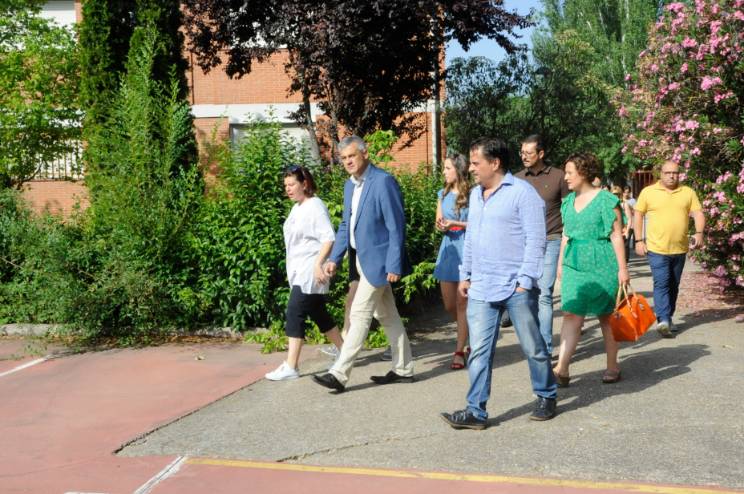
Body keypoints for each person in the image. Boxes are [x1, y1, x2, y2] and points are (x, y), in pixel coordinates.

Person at [440, 137, 557, 430]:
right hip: (481, 285)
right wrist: (466, 274)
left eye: (476, 163)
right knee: (479, 351)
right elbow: (472, 238)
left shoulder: (522, 193)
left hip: (516, 286)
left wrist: (525, 281)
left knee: (533, 346)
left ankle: (546, 395)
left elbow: (536, 239)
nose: (471, 169)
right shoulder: (476, 195)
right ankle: (476, 411)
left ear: (494, 163)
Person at [313, 135, 414, 392]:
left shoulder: (383, 181)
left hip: (379, 262)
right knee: (387, 315)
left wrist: (394, 264)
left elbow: (396, 226)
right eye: (344, 158)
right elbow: (346, 225)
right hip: (359, 259)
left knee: (358, 313)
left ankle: (339, 373)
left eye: (352, 156)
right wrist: (334, 258)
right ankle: (403, 369)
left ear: (365, 154)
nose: (348, 161)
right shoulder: (350, 185)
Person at [552, 153, 629, 387]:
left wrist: (623, 269)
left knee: (606, 317)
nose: (566, 177)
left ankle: (612, 366)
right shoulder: (567, 202)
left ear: (583, 172)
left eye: (569, 172)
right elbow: (566, 235)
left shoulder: (606, 200)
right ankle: (562, 368)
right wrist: (560, 264)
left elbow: (616, 236)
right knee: (571, 314)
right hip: (574, 264)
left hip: (602, 263)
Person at [265, 165, 344, 381]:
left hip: (311, 272)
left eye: (292, 184)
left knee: (295, 312)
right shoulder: (297, 208)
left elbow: (328, 238)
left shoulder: (315, 206)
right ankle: (344, 352)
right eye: (286, 185)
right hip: (299, 271)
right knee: (319, 313)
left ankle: (291, 366)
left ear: (305, 184)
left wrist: (318, 264)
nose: (288, 189)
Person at [633, 160, 705, 337]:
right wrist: (639, 240)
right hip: (657, 249)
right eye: (668, 173)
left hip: (680, 248)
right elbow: (638, 215)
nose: (672, 176)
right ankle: (663, 319)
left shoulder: (688, 192)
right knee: (662, 282)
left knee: (674, 285)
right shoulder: (648, 192)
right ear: (661, 174)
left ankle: (668, 317)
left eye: (675, 173)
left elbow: (698, 213)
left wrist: (699, 233)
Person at [515, 134, 569, 357]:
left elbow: (568, 210)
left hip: (551, 239)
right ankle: (533, 341)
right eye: (522, 152)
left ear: (541, 153)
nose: (524, 156)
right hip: (525, 243)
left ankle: (544, 348)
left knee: (545, 293)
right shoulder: (517, 179)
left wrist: (568, 241)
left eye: (529, 153)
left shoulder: (558, 176)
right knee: (527, 292)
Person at [434, 152, 470, 370]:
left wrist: (456, 223)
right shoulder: (442, 193)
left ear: (458, 169)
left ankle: (459, 350)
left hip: (466, 248)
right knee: (449, 305)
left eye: (448, 168)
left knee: (462, 302)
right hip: (448, 249)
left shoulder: (473, 193)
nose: (444, 172)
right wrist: (441, 225)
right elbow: (438, 221)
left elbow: (478, 223)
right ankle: (470, 333)